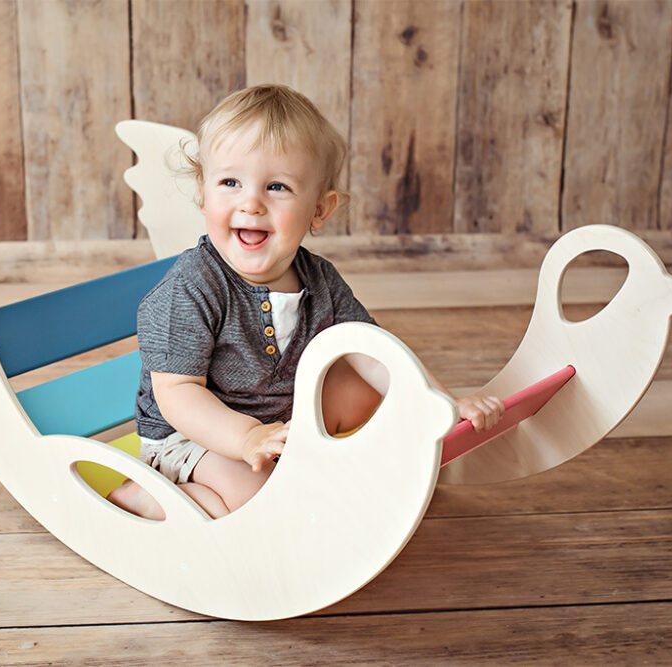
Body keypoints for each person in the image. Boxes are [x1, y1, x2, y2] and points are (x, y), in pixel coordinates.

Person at [110, 84, 503, 520]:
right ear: (203, 193)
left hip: (278, 424)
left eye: (276, 186)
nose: (251, 202)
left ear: (320, 209)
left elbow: (373, 352)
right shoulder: (190, 289)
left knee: (362, 383)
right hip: (194, 438)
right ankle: (148, 498)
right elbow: (177, 395)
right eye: (230, 182)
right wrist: (246, 439)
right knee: (256, 502)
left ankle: (352, 468)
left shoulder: (320, 279)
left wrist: (441, 403)